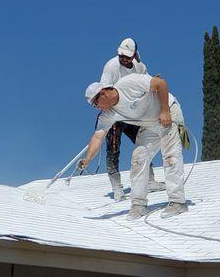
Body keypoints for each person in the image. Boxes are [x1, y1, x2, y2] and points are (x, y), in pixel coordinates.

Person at [80, 74, 188, 220]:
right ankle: (138, 205)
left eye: (95, 103)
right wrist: (87, 160)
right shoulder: (108, 114)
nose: (96, 107)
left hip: (168, 111)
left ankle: (178, 202)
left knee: (170, 156)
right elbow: (98, 136)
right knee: (138, 159)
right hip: (149, 125)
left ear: (104, 93)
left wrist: (165, 111)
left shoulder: (129, 83)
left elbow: (161, 84)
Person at [99, 38, 164, 202]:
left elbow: (147, 84)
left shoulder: (140, 67)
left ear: (134, 55)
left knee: (144, 143)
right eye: (121, 55)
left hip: (133, 113)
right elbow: (104, 93)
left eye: (127, 56)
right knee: (113, 148)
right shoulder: (111, 66)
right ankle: (117, 188)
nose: (124, 59)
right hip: (116, 115)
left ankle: (149, 181)